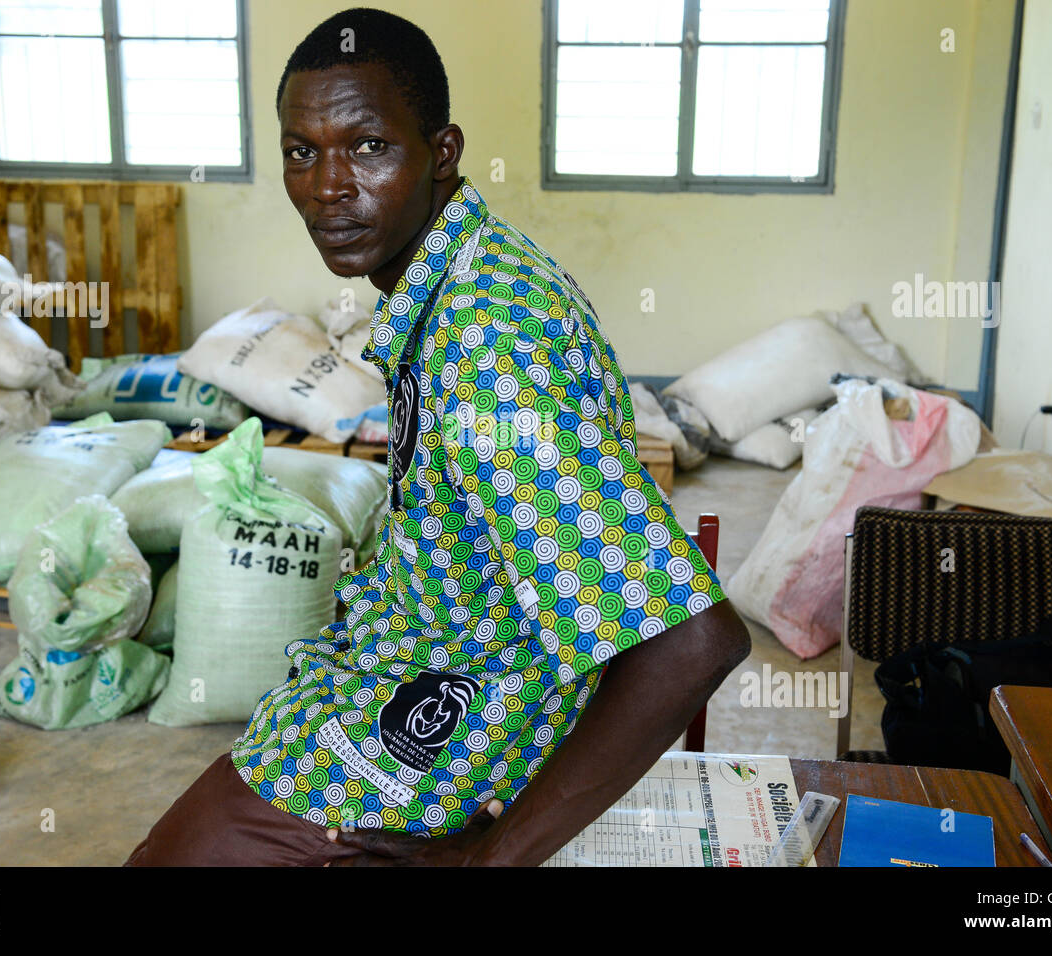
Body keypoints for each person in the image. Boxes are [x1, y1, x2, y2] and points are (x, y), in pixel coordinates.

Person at [125, 6, 749, 868]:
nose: (329, 185)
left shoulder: (487, 344)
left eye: (368, 146)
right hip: (396, 675)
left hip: (428, 747)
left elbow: (694, 643)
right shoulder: (460, 274)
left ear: (442, 151)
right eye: (302, 151)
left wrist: (482, 862)